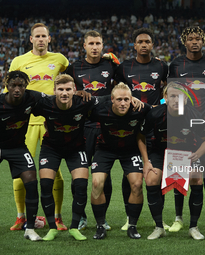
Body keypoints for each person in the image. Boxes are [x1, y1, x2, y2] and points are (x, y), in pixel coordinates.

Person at [8, 23, 69, 231]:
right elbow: (9, 88)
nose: (41, 39)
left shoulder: (59, 59)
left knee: (55, 171)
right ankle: (20, 217)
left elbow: (72, 79)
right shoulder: (19, 61)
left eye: (44, 36)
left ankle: (58, 217)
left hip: (51, 123)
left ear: (49, 39)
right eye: (37, 36)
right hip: (24, 124)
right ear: (31, 39)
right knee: (20, 170)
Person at [31, 74, 102, 241]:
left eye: (68, 89)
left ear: (74, 90)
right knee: (46, 185)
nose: (64, 93)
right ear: (54, 90)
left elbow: (108, 100)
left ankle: (74, 228)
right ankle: (52, 228)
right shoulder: (45, 103)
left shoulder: (84, 102)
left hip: (76, 148)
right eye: (61, 89)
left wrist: (134, 100)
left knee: (81, 186)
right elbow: (25, 99)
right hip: (51, 148)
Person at [168, 26, 205, 233]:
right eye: (190, 38)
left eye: (198, 38)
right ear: (184, 41)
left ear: (203, 41)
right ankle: (178, 218)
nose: (194, 42)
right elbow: (171, 93)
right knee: (179, 173)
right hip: (182, 125)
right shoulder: (175, 65)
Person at [0, 71, 44, 242]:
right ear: (6, 86)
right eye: (13, 85)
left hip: (17, 147)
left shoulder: (32, 98)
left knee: (31, 180)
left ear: (26, 86)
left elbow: (53, 103)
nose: (17, 89)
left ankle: (29, 229)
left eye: (20, 85)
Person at [141, 82, 205, 240]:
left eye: (180, 96)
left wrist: (198, 154)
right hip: (161, 153)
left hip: (186, 154)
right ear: (165, 98)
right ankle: (159, 227)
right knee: (152, 179)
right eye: (172, 96)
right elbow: (140, 137)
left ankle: (193, 227)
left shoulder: (195, 115)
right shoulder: (155, 114)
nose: (176, 100)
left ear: (186, 100)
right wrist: (146, 161)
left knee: (196, 178)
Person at [65, 30, 119, 231]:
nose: (95, 47)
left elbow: (127, 83)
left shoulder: (111, 65)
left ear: (103, 46)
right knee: (79, 174)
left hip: (106, 126)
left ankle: (101, 218)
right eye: (91, 43)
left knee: (104, 175)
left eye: (98, 43)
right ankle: (80, 217)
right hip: (82, 127)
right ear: (84, 46)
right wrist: (75, 91)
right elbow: (62, 89)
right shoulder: (74, 67)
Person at [114, 27, 168, 230]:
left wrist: (159, 105)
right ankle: (130, 216)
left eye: (148, 41)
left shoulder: (162, 66)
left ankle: (159, 220)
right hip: (130, 125)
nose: (144, 45)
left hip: (155, 124)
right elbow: (117, 91)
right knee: (130, 173)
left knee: (157, 173)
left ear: (152, 45)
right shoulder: (124, 67)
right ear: (134, 45)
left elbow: (168, 91)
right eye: (140, 42)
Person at [90, 83, 151, 239]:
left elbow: (159, 110)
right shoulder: (100, 110)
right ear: (112, 100)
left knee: (137, 184)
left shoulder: (141, 109)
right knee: (97, 184)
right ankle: (100, 225)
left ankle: (132, 226)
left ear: (131, 99)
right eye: (119, 100)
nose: (123, 103)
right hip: (104, 149)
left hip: (130, 151)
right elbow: (79, 107)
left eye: (126, 99)